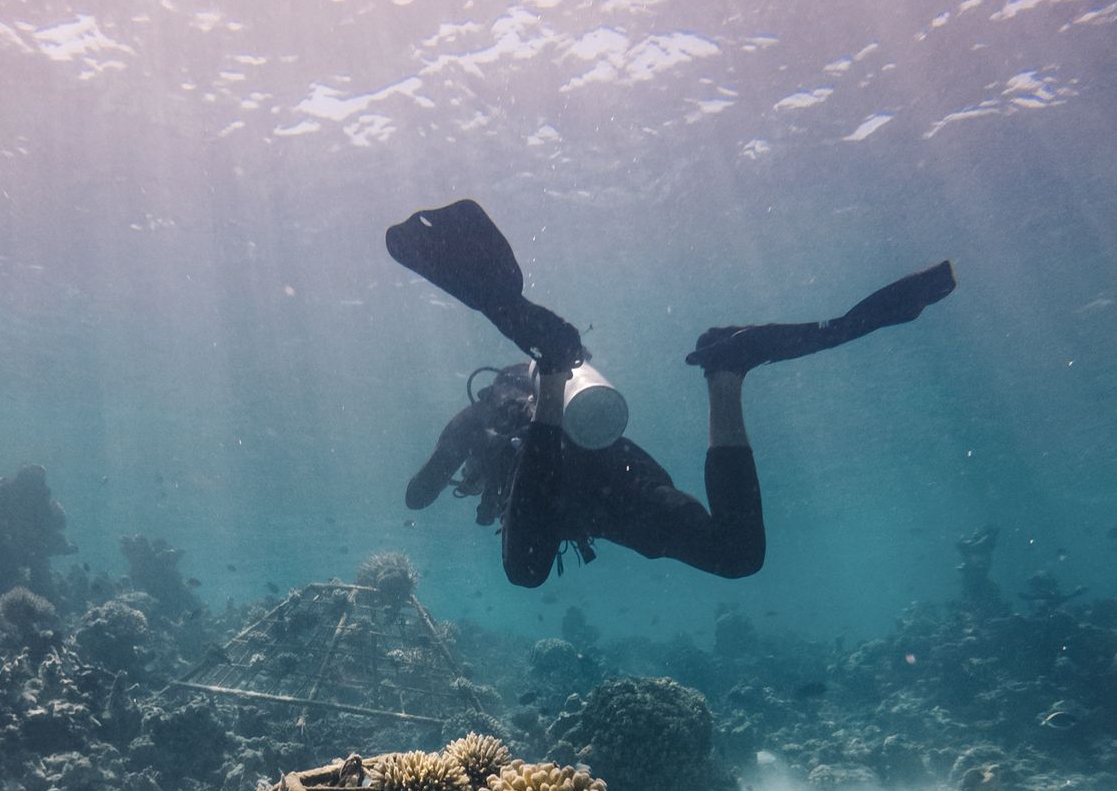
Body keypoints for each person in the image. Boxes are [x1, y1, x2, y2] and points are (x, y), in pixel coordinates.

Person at [388, 199, 955, 589]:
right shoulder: (497, 418)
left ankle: (559, 368)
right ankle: (725, 372)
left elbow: (417, 497)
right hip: (612, 471)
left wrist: (454, 455)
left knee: (525, 571)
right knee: (735, 554)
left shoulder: (473, 421)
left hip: (573, 481)